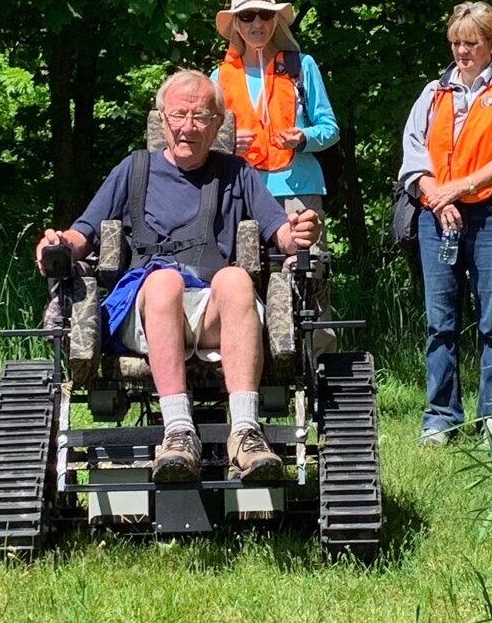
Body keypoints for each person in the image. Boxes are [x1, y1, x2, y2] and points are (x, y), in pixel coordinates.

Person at [35, 69, 320, 484]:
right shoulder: (132, 170)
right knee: (164, 281)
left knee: (237, 279)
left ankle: (244, 432)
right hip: (145, 311)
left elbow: (282, 234)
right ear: (162, 120)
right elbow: (83, 234)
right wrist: (57, 243)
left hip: (211, 314)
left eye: (201, 117)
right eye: (179, 115)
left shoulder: (237, 174)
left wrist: (299, 233)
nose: (188, 127)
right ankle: (178, 432)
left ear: (218, 124)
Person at [399, 1, 492, 447]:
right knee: (441, 322)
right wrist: (437, 199)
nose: (462, 51)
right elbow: (413, 158)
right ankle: (440, 417)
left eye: (471, 43)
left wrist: (456, 189)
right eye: (456, 43)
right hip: (438, 216)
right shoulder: (432, 93)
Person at [214, 0, 339, 354]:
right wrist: (225, 144)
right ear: (235, 24)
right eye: (247, 17)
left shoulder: (301, 66)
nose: (257, 24)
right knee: (243, 273)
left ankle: (317, 358)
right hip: (239, 190)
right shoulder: (218, 76)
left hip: (297, 189)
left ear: (275, 20)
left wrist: (303, 137)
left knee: (309, 271)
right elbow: (198, 139)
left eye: (265, 15)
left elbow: (330, 128)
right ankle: (242, 353)